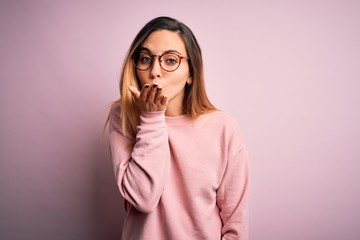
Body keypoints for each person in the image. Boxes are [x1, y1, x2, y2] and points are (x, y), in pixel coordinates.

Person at [107, 16, 250, 240]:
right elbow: (144, 199)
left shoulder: (223, 129)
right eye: (145, 58)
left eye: (171, 60)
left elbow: (236, 223)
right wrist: (151, 117)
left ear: (191, 72)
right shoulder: (123, 116)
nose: (155, 71)